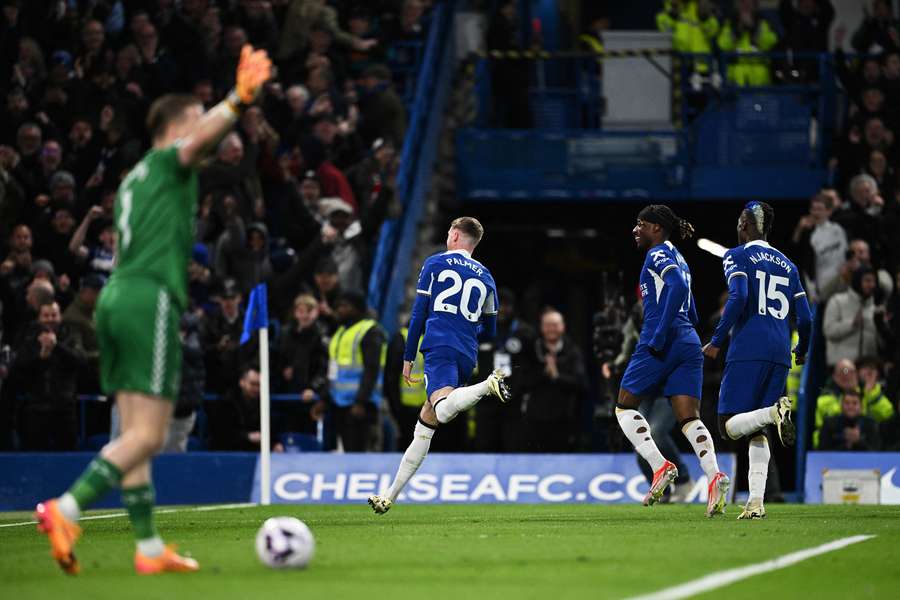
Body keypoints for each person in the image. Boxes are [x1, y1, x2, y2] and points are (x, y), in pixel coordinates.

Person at [34, 45, 272, 576]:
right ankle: (64, 509)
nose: (206, 130)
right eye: (198, 120)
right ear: (179, 124)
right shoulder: (169, 160)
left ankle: (147, 549)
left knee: (132, 435)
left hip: (117, 297)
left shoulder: (134, 180)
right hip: (149, 299)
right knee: (151, 435)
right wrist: (238, 100)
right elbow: (195, 143)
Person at [369, 217, 510, 514]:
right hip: (466, 353)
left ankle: (487, 384)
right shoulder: (486, 276)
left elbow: (418, 314)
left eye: (449, 231)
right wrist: (465, 332)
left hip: (439, 346)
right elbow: (491, 329)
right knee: (427, 419)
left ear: (456, 235)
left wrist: (409, 357)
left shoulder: (435, 263)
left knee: (442, 408)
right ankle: (389, 495)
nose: (448, 235)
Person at [616, 205, 729, 517]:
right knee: (689, 418)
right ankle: (715, 476)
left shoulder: (657, 254)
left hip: (662, 338)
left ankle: (660, 466)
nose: (635, 229)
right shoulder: (679, 256)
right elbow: (690, 306)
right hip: (689, 339)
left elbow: (677, 286)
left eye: (641, 224)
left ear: (656, 228)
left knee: (624, 407)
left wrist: (660, 332)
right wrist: (683, 327)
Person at [702, 202, 812, 520]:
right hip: (780, 351)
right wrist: (802, 348)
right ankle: (756, 502)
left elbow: (737, 297)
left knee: (726, 427)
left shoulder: (735, 256)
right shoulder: (789, 265)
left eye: (740, 222)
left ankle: (773, 411)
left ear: (745, 224)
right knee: (757, 431)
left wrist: (717, 340)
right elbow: (805, 318)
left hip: (748, 348)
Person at [519, 308, 587, 452]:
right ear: (541, 327)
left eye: (555, 325)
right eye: (547, 325)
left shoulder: (572, 351)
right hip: (535, 420)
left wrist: (557, 376)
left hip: (564, 420)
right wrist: (544, 373)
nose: (551, 329)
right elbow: (522, 381)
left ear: (563, 326)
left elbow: (582, 383)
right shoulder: (531, 350)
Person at [328, 290, 385, 451]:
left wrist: (361, 401)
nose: (339, 310)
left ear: (357, 308)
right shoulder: (340, 332)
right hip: (339, 403)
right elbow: (333, 369)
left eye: (344, 306)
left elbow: (371, 370)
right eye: (338, 306)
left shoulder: (369, 331)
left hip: (361, 406)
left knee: (359, 453)